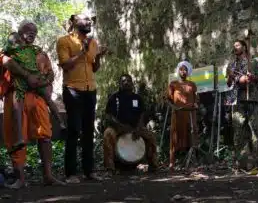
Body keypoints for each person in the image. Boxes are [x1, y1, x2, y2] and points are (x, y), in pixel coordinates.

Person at [1, 20, 65, 189]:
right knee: (16, 136)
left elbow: (50, 74)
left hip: (38, 99)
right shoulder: (9, 51)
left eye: (34, 32)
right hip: (16, 96)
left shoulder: (40, 53)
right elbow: (7, 63)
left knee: (45, 135)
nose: (32, 33)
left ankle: (48, 176)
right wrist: (27, 76)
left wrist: (47, 87)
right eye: (28, 30)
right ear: (19, 32)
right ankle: (20, 179)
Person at [56, 14, 107, 183]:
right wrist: (82, 52)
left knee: (88, 131)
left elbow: (94, 68)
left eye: (90, 20)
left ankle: (89, 171)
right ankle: (71, 173)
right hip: (73, 90)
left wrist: (98, 57)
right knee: (74, 130)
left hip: (90, 89)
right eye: (85, 20)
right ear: (74, 22)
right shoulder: (64, 41)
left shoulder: (93, 42)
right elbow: (65, 65)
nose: (89, 22)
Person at [103, 74, 158, 174]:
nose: (126, 82)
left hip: (135, 127)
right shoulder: (114, 98)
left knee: (151, 136)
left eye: (128, 81)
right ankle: (110, 168)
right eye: (123, 81)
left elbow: (142, 114)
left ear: (132, 83)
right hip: (118, 127)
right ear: (119, 84)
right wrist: (120, 126)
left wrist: (139, 128)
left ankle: (153, 166)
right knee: (108, 134)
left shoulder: (137, 98)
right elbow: (108, 116)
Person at [225, 39, 258, 163]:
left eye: (237, 45)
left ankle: (256, 158)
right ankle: (240, 159)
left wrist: (252, 77)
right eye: (234, 46)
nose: (235, 47)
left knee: (254, 128)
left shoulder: (253, 62)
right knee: (238, 129)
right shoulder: (231, 65)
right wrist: (232, 77)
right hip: (236, 99)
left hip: (251, 98)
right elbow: (228, 83)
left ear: (244, 47)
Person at [167, 61, 199, 171]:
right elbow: (168, 99)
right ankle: (172, 162)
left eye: (185, 69)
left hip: (190, 114)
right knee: (175, 137)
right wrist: (174, 107)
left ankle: (192, 162)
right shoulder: (173, 84)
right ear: (178, 71)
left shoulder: (192, 84)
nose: (183, 71)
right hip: (178, 114)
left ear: (188, 71)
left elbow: (196, 99)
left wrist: (196, 105)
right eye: (181, 69)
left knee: (191, 135)